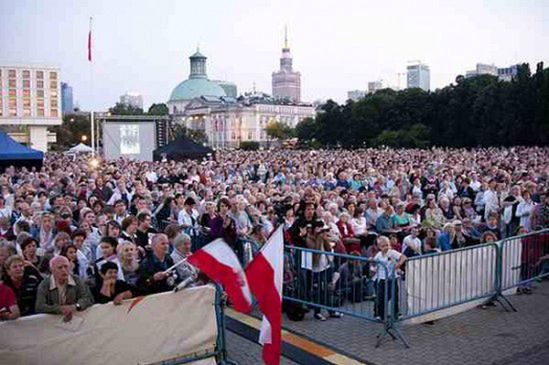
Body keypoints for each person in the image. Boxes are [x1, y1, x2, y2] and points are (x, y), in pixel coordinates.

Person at [36, 255, 94, 322]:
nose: (64, 270)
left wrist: (76, 306)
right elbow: (39, 306)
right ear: (52, 270)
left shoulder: (77, 280)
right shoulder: (44, 284)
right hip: (52, 322)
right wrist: (60, 309)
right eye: (60, 268)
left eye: (66, 266)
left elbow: (88, 299)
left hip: (76, 320)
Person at [373, 236, 407, 320]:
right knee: (381, 296)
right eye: (383, 246)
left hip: (392, 278)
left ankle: (396, 313)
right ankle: (380, 314)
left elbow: (403, 257)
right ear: (379, 247)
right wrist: (371, 260)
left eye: (387, 245)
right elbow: (374, 262)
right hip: (381, 279)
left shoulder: (392, 252)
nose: (385, 248)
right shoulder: (379, 254)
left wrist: (398, 265)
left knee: (394, 296)